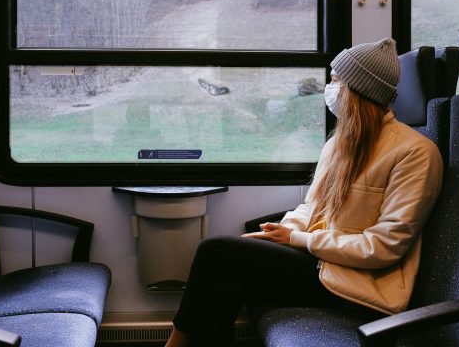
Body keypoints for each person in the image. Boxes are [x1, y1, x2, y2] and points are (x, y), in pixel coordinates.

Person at [166, 38, 444, 347]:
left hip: (359, 284)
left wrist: (300, 240)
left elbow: (384, 246)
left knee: (218, 252)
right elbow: (312, 207)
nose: (330, 88)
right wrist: (286, 230)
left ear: (359, 91)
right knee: (225, 271)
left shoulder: (415, 152)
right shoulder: (340, 143)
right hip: (325, 263)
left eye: (337, 81)